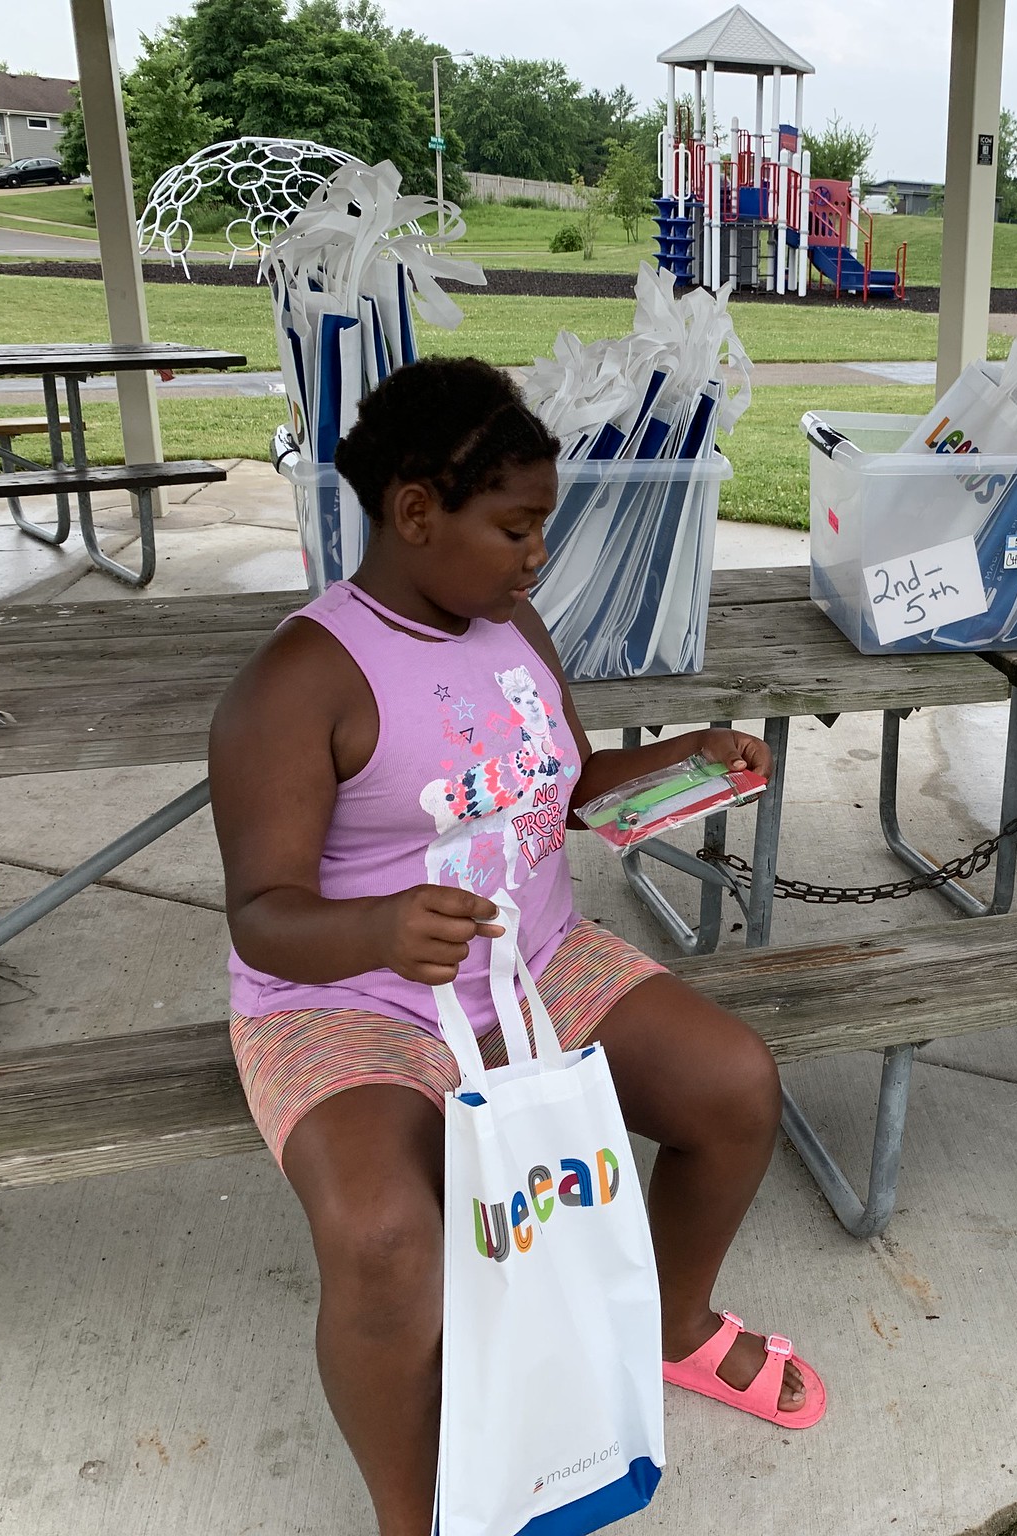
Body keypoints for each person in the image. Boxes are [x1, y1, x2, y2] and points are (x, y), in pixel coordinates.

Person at [209, 357, 822, 1536]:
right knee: (386, 1238)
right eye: (515, 527)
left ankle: (674, 1323)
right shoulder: (298, 683)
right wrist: (378, 928)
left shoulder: (507, 619)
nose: (537, 554)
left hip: (532, 960)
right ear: (415, 512)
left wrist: (683, 759)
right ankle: (413, 1512)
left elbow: (564, 787)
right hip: (344, 1001)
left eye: (542, 526)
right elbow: (261, 913)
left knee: (733, 1087)